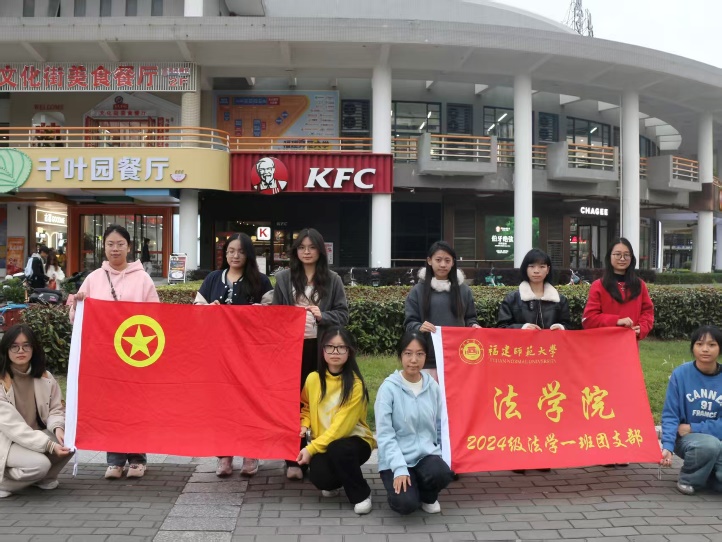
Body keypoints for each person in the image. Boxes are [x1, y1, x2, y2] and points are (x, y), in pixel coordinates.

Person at [70, 224, 159, 480]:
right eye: (110, 244)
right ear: (104, 247)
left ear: (129, 247)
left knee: (135, 407)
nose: (115, 249)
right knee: (111, 408)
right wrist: (76, 305)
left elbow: (156, 315)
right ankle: (115, 460)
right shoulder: (93, 278)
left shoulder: (143, 279)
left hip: (135, 356)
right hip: (104, 357)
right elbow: (77, 319)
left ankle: (137, 459)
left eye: (120, 244)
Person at [194, 233, 273, 478]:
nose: (235, 255)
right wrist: (209, 310)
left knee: (249, 403)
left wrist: (255, 312)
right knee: (222, 405)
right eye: (230, 251)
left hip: (250, 356)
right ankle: (224, 455)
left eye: (240, 251)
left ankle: (250, 453)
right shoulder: (212, 279)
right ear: (225, 253)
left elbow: (272, 314)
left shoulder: (261, 281)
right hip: (218, 355)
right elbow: (196, 310)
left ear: (248, 254)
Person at [272, 228, 349, 480]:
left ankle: (319, 453)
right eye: (302, 247)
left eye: (312, 247)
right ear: (295, 251)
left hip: (321, 348)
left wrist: (322, 315)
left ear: (320, 251)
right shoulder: (284, 279)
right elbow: (275, 315)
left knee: (320, 400)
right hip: (291, 350)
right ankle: (292, 458)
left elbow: (343, 315)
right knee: (292, 402)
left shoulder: (333, 279)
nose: (307, 252)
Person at [297, 327, 376, 515]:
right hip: (325, 442)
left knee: (339, 448)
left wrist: (311, 449)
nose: (335, 352)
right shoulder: (313, 379)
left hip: (355, 441)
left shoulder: (355, 385)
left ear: (349, 352)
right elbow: (306, 406)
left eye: (341, 347)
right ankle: (341, 477)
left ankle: (361, 494)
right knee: (320, 478)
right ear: (322, 350)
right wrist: (305, 423)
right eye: (330, 347)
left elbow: (341, 428)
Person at [375, 331, 454, 515]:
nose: (413, 360)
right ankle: (404, 489)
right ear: (400, 356)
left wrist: (442, 456)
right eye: (408, 353)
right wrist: (399, 468)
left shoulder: (432, 386)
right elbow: (385, 435)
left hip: (425, 456)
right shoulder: (388, 389)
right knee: (406, 504)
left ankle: (427, 495)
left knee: (442, 473)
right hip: (396, 459)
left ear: (426, 356)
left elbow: (440, 424)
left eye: (420, 354)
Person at [0, 324, 73, 498]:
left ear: (34, 348)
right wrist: (49, 445)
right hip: (7, 440)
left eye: (26, 345)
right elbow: (13, 427)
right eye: (14, 346)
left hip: (35, 436)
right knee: (39, 465)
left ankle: (44, 479)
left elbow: (56, 409)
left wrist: (58, 428)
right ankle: (4, 482)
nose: (21, 351)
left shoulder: (45, 377)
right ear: (6, 350)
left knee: (71, 440)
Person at [404, 241, 480, 381]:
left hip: (458, 357)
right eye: (438, 260)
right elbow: (409, 323)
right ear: (429, 261)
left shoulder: (464, 291)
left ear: (453, 262)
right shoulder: (418, 291)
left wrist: (474, 326)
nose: (443, 265)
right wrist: (419, 327)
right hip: (428, 358)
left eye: (447, 260)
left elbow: (470, 318)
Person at [661, 325, 722, 495]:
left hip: (706, 434)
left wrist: (693, 427)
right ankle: (689, 479)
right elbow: (670, 414)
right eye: (699, 344)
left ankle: (710, 476)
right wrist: (667, 446)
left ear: (719, 348)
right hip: (687, 440)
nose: (705, 349)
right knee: (709, 445)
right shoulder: (680, 374)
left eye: (712, 344)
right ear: (693, 347)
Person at [582, 237, 654, 340]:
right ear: (609, 257)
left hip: (630, 343)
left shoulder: (639, 285)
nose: (622, 258)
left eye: (626, 255)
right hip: (605, 344)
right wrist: (616, 321)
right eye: (617, 254)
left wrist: (642, 327)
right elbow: (589, 319)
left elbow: (648, 312)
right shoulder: (598, 286)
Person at [497, 248, 570, 330]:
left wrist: (561, 327)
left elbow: (568, 326)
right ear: (525, 269)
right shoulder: (512, 299)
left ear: (548, 270)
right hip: (523, 339)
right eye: (531, 266)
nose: (536, 271)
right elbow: (502, 327)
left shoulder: (560, 300)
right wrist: (522, 328)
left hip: (550, 339)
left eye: (542, 267)